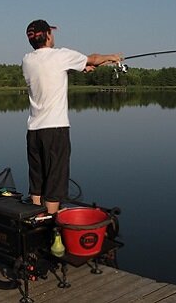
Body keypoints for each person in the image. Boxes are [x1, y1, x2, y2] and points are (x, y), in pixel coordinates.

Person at [22, 19, 122, 214]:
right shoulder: (61, 56)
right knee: (55, 180)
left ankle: (32, 218)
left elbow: (52, 69)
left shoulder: (27, 60)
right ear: (48, 35)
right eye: (52, 33)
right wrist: (112, 57)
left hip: (33, 131)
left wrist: (83, 66)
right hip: (55, 129)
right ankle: (50, 224)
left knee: (38, 179)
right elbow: (92, 58)